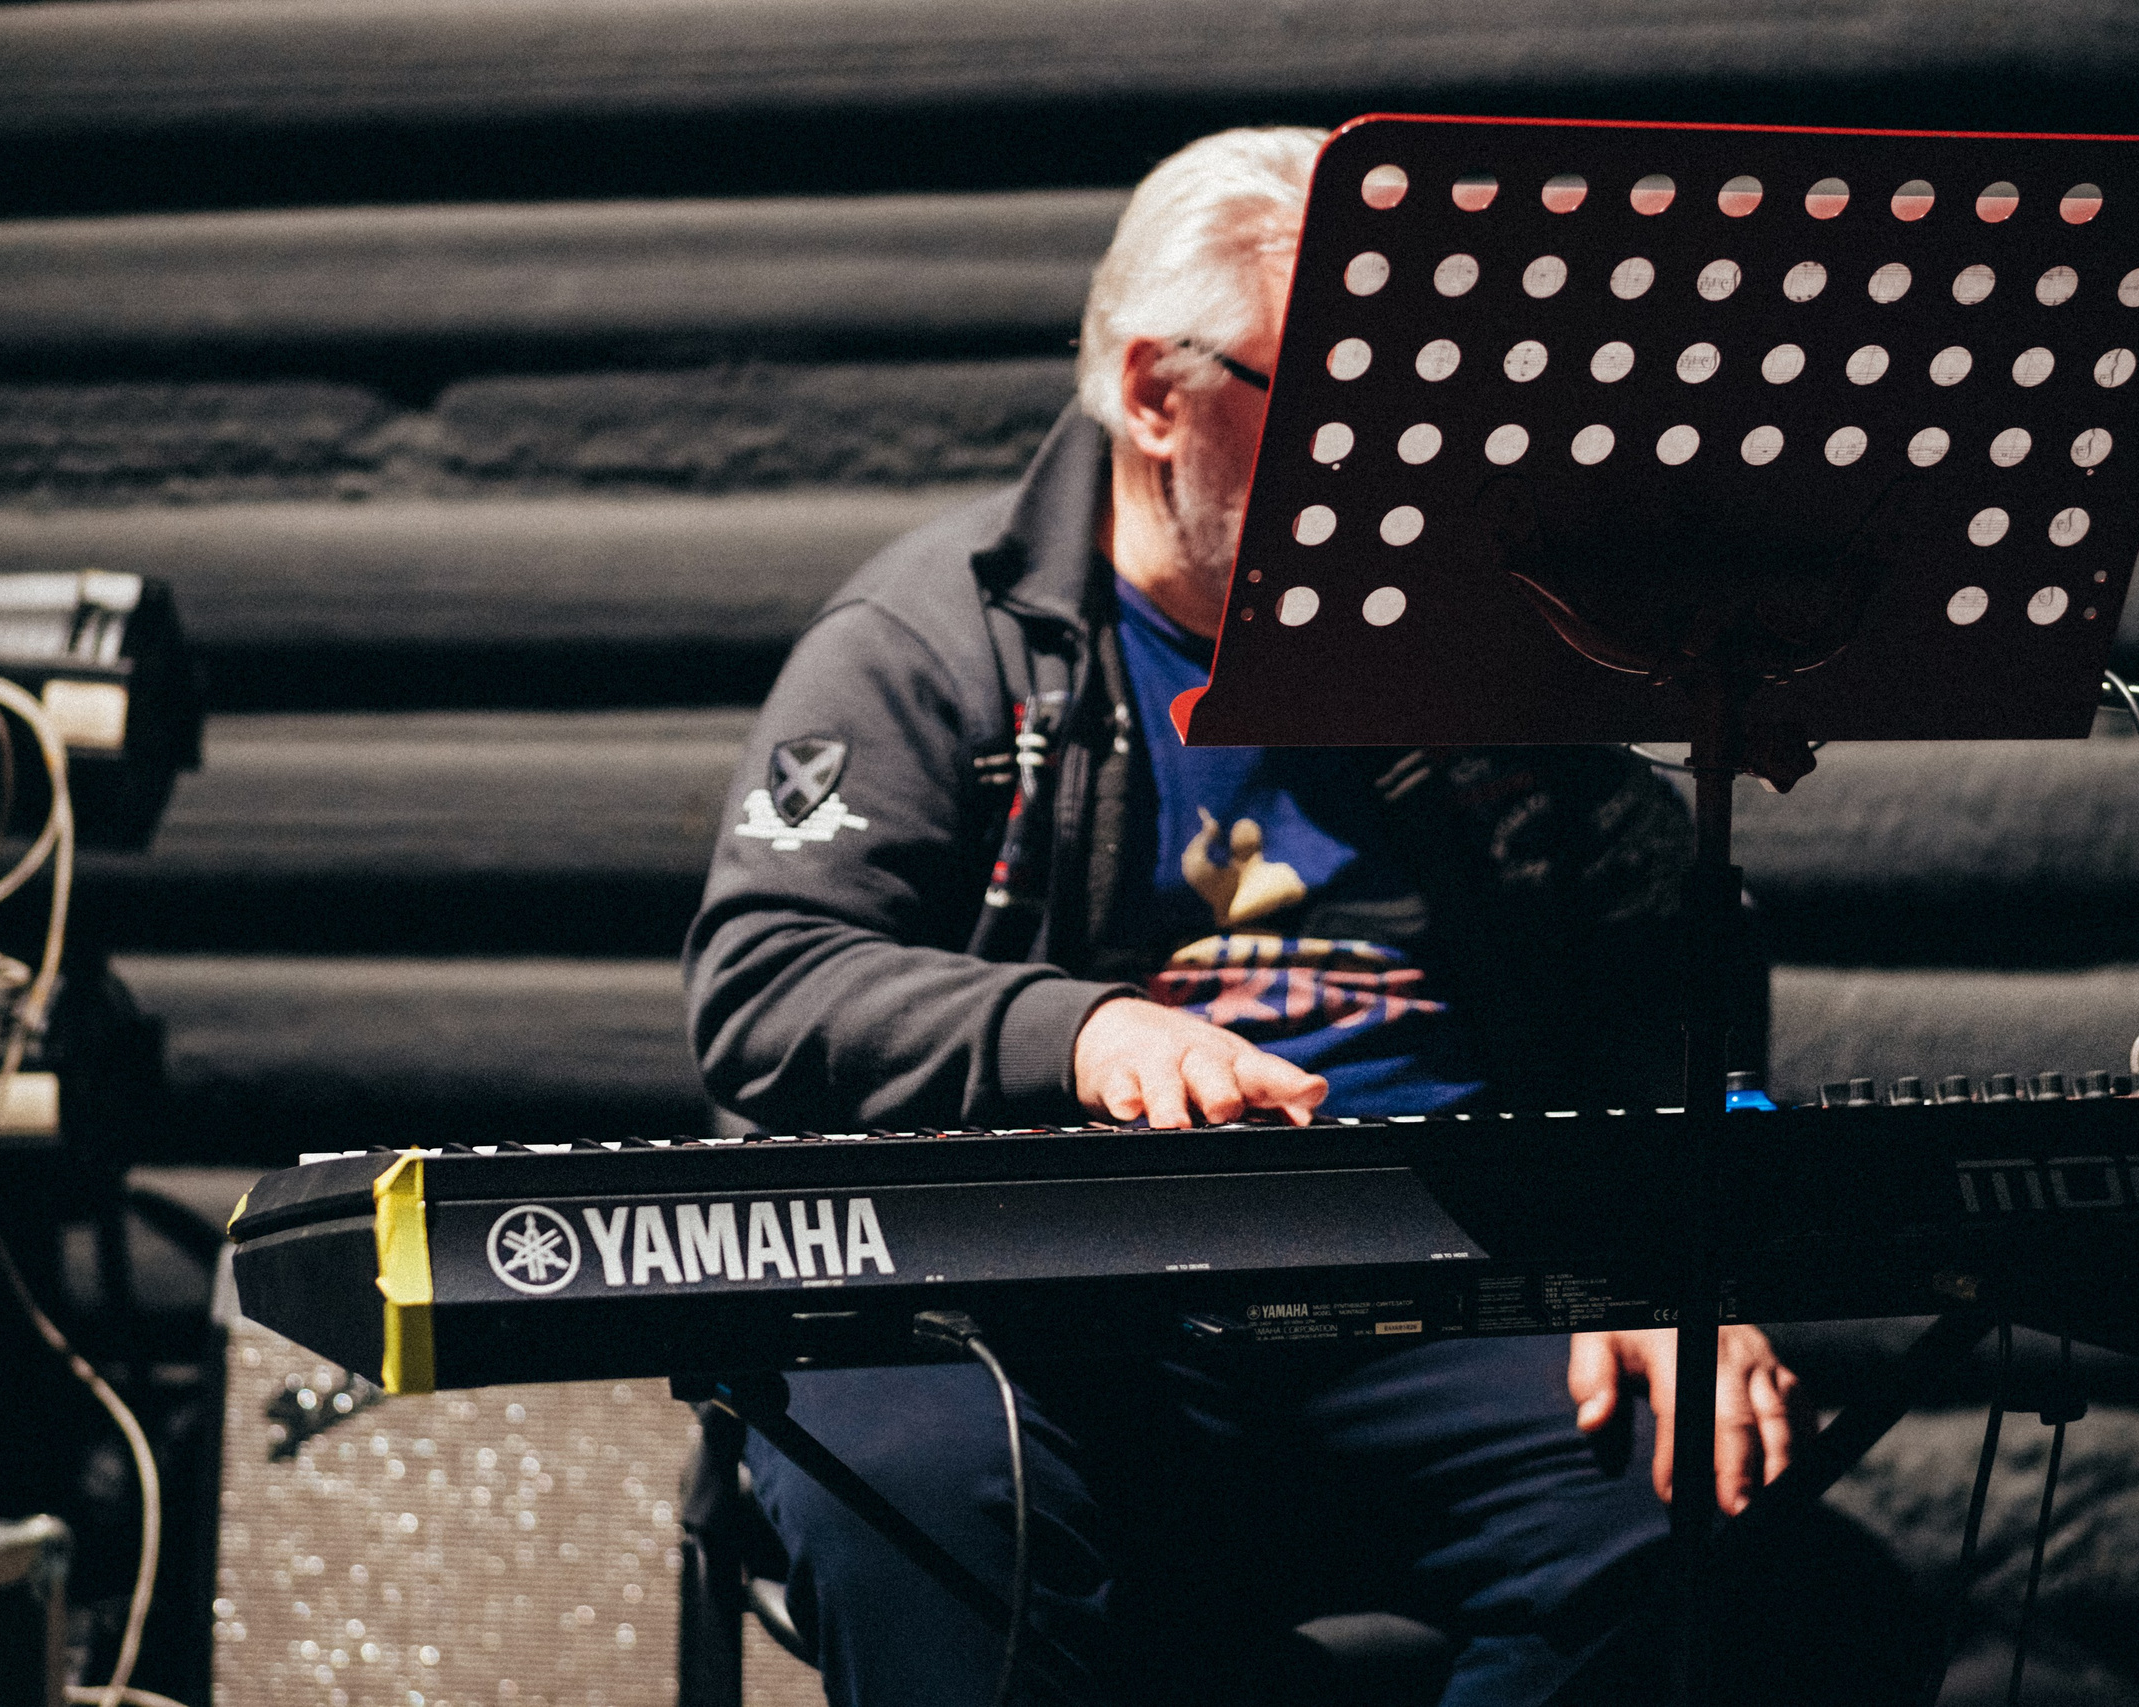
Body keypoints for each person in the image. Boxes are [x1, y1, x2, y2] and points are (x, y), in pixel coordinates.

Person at [685, 126, 1804, 1707]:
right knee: (922, 1502)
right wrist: (1084, 1032)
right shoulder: (934, 643)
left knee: (1710, 1526)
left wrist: (1666, 1257)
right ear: (1160, 395)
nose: (1400, 454)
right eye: (1339, 403)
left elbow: (1660, 967)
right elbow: (766, 983)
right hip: (1035, 1305)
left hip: (1433, 1285)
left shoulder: (1469, 641)